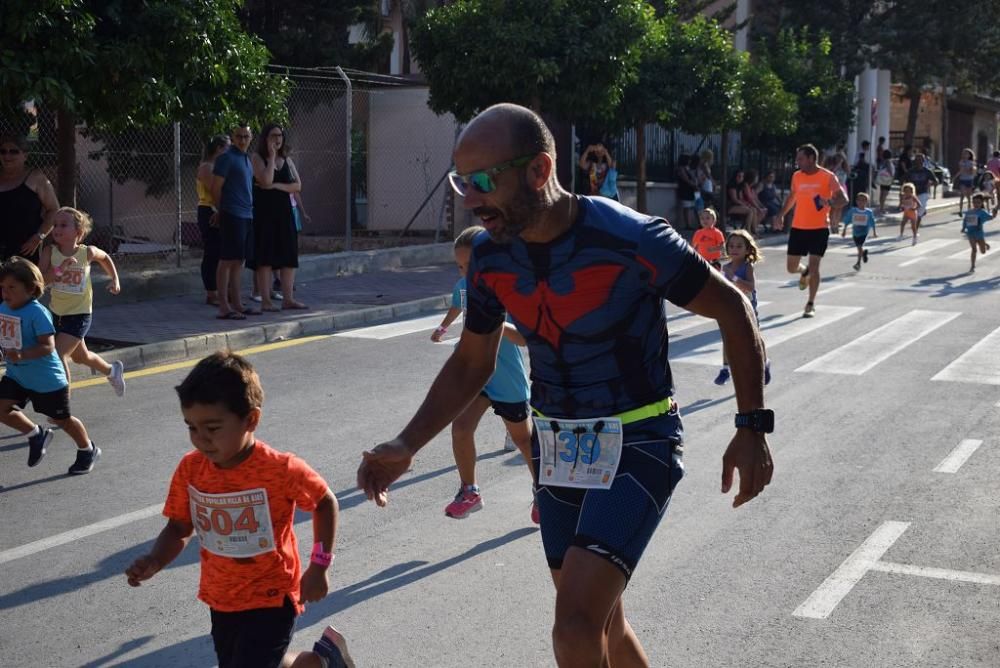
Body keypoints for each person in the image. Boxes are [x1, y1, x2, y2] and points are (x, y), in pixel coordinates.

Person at [357, 103, 773, 667]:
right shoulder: (488, 258)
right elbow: (471, 360)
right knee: (602, 621)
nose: (469, 198)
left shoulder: (629, 238)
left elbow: (734, 307)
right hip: (559, 450)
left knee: (575, 625)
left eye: (483, 181)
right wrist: (407, 444)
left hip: (640, 440)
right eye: (462, 181)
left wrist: (752, 425)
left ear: (538, 169)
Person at [124, 352, 353, 668]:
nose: (201, 440)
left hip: (272, 597)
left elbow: (325, 502)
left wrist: (319, 566)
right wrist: (155, 559)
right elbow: (179, 527)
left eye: (213, 428)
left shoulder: (280, 469)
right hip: (222, 597)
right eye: (191, 427)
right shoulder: (192, 469)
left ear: (251, 420)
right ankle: (318, 662)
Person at [431, 225, 535, 521]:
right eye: (460, 266)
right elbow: (461, 318)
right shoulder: (463, 288)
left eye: (470, 265)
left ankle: (544, 492)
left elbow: (526, 338)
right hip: (476, 374)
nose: (465, 272)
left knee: (523, 441)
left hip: (507, 376)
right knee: (461, 428)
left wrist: (493, 323)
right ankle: (470, 490)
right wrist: (444, 329)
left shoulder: (512, 292)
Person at [0, 257, 100, 474]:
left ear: (31, 289)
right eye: (3, 287)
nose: (5, 292)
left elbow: (48, 346)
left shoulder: (37, 313)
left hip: (47, 380)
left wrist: (22, 354)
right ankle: (36, 434)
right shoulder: (3, 308)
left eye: (12, 287)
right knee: (1, 409)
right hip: (17, 375)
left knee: (61, 419)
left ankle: (87, 449)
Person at [37, 207, 125, 395]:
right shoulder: (49, 252)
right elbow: (40, 281)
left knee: (57, 354)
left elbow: (105, 258)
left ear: (78, 232)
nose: (57, 229)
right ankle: (112, 371)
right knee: (81, 357)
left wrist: (115, 279)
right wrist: (59, 270)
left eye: (63, 225)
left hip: (79, 315)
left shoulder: (87, 253)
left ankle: (62, 405)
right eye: (55, 225)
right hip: (56, 313)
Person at [778, 144, 848, 319]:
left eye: (800, 158)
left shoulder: (827, 176)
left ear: (811, 158)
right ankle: (804, 271)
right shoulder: (797, 176)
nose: (797, 162)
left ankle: (810, 303)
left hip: (819, 229)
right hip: (798, 227)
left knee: (815, 266)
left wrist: (830, 203)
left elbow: (844, 199)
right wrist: (780, 215)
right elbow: (792, 196)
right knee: (791, 267)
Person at [251, 124, 307, 311]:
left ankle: (288, 298)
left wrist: (277, 187)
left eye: (280, 135)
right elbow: (265, 180)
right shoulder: (257, 158)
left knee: (289, 256)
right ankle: (266, 301)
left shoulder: (287, 160)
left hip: (284, 213)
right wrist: (272, 157)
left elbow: (297, 185)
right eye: (273, 135)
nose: (278, 139)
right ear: (265, 138)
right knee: (266, 258)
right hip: (265, 214)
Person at [211, 124, 258, 320]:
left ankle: (237, 303)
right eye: (239, 136)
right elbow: (215, 188)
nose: (242, 140)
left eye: (246, 136)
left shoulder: (246, 158)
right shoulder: (226, 158)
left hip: (246, 214)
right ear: (233, 136)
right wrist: (221, 211)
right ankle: (223, 306)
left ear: (251, 137)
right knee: (227, 260)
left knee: (239, 261)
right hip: (232, 214)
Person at [716, 230, 770, 387]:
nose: (734, 249)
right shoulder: (725, 267)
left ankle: (764, 364)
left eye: (739, 246)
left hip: (748, 309)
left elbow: (750, 286)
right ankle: (725, 369)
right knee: (727, 338)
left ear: (747, 249)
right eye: (731, 246)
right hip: (730, 308)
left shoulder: (747, 267)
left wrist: (733, 276)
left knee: (754, 340)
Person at [0, 134, 58, 263]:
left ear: (25, 155)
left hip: (25, 249)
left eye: (13, 151)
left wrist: (39, 237)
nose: (7, 156)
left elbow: (54, 210)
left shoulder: (36, 178)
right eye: (3, 151)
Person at [196, 135, 230, 307]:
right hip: (210, 210)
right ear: (218, 148)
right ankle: (211, 292)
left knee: (224, 253)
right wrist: (220, 210)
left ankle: (224, 291)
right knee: (213, 252)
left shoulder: (219, 166)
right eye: (227, 147)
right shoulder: (207, 167)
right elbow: (216, 191)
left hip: (221, 209)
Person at [903, 153, 938, 241]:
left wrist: (932, 184)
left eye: (920, 160)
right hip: (913, 193)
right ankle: (922, 213)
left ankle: (916, 230)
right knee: (913, 212)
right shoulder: (911, 171)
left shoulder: (927, 171)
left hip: (923, 193)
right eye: (917, 160)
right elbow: (903, 180)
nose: (918, 162)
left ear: (923, 161)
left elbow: (936, 180)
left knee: (918, 212)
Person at [840, 192, 877, 271]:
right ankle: (863, 253)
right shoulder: (853, 211)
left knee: (859, 247)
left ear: (867, 202)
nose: (861, 202)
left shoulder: (868, 212)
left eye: (864, 200)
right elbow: (847, 220)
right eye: (859, 200)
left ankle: (858, 263)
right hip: (855, 232)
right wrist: (844, 230)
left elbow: (872, 222)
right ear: (856, 201)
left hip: (864, 232)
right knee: (859, 247)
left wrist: (874, 232)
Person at [961, 193, 992, 272]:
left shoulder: (982, 212)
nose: (976, 204)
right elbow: (965, 220)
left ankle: (984, 244)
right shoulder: (969, 212)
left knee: (983, 251)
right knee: (974, 249)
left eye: (978, 202)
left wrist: (994, 212)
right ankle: (972, 266)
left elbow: (990, 217)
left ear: (981, 203)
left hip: (979, 233)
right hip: (970, 233)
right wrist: (963, 228)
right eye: (974, 202)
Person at [727, 170, 760, 234]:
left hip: (738, 205)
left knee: (753, 209)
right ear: (735, 176)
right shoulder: (732, 185)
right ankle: (748, 231)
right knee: (749, 211)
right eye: (739, 176)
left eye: (742, 177)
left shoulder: (740, 186)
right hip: (730, 206)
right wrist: (744, 205)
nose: (741, 178)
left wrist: (746, 204)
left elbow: (741, 198)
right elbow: (734, 199)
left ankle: (754, 230)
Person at [675, 154, 699, 230]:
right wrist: (693, 184)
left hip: (691, 190)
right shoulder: (681, 168)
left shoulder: (687, 168)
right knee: (687, 207)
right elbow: (685, 179)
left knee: (693, 206)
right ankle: (687, 224)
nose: (690, 161)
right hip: (685, 189)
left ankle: (695, 223)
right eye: (688, 159)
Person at [956, 148, 977, 215]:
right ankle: (960, 210)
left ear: (969, 155)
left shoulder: (972, 162)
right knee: (962, 195)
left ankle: (969, 209)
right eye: (964, 153)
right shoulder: (961, 162)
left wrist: (968, 170)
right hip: (963, 179)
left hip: (969, 180)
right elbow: (961, 170)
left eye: (966, 153)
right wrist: (955, 177)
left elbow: (972, 172)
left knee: (968, 197)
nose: (965, 155)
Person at [875, 149, 895, 214]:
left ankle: (881, 207)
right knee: (884, 194)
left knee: (882, 193)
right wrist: (892, 176)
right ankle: (882, 208)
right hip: (887, 180)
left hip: (883, 179)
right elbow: (890, 170)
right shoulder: (888, 162)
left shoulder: (883, 161)